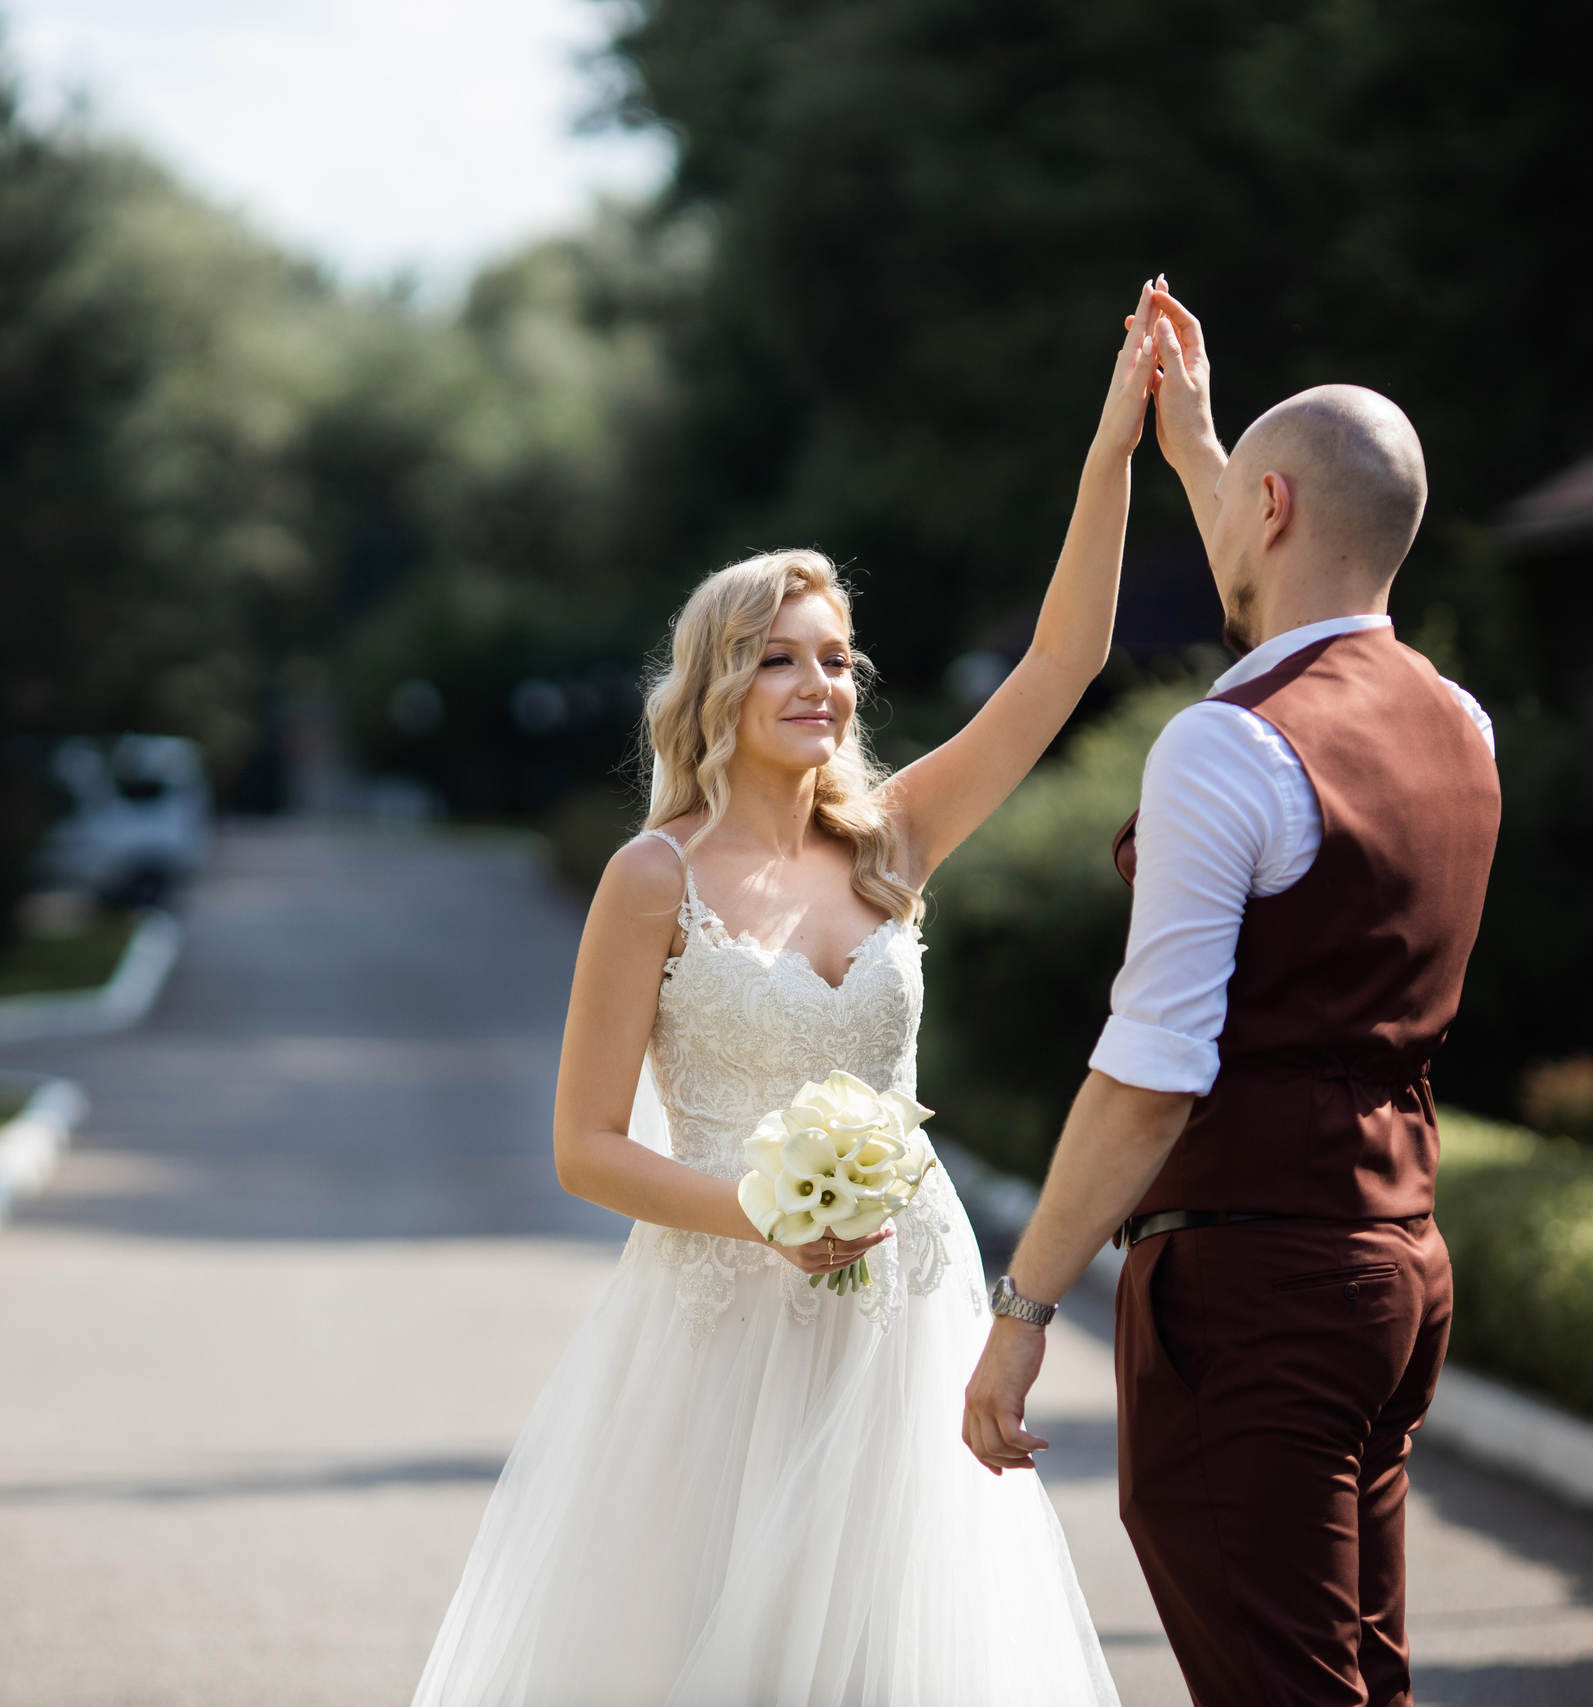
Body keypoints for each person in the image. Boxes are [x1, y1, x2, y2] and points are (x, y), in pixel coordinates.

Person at [409, 283, 1178, 1707]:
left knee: (900, 1656)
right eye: (779, 656)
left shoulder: (895, 838)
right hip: (718, 1334)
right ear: (716, 683)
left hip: (906, 1312)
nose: (819, 681)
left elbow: (1062, 663)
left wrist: (1118, 448)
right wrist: (766, 1215)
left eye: (835, 656)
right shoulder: (653, 880)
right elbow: (586, 1148)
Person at [960, 288, 1502, 1707]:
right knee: (1356, 1683)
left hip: (1256, 1285)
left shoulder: (1227, 750)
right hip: (1397, 1267)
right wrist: (1198, 441)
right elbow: (1283, 563)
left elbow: (1151, 1072)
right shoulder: (1462, 722)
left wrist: (1023, 1310)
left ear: (1266, 509)